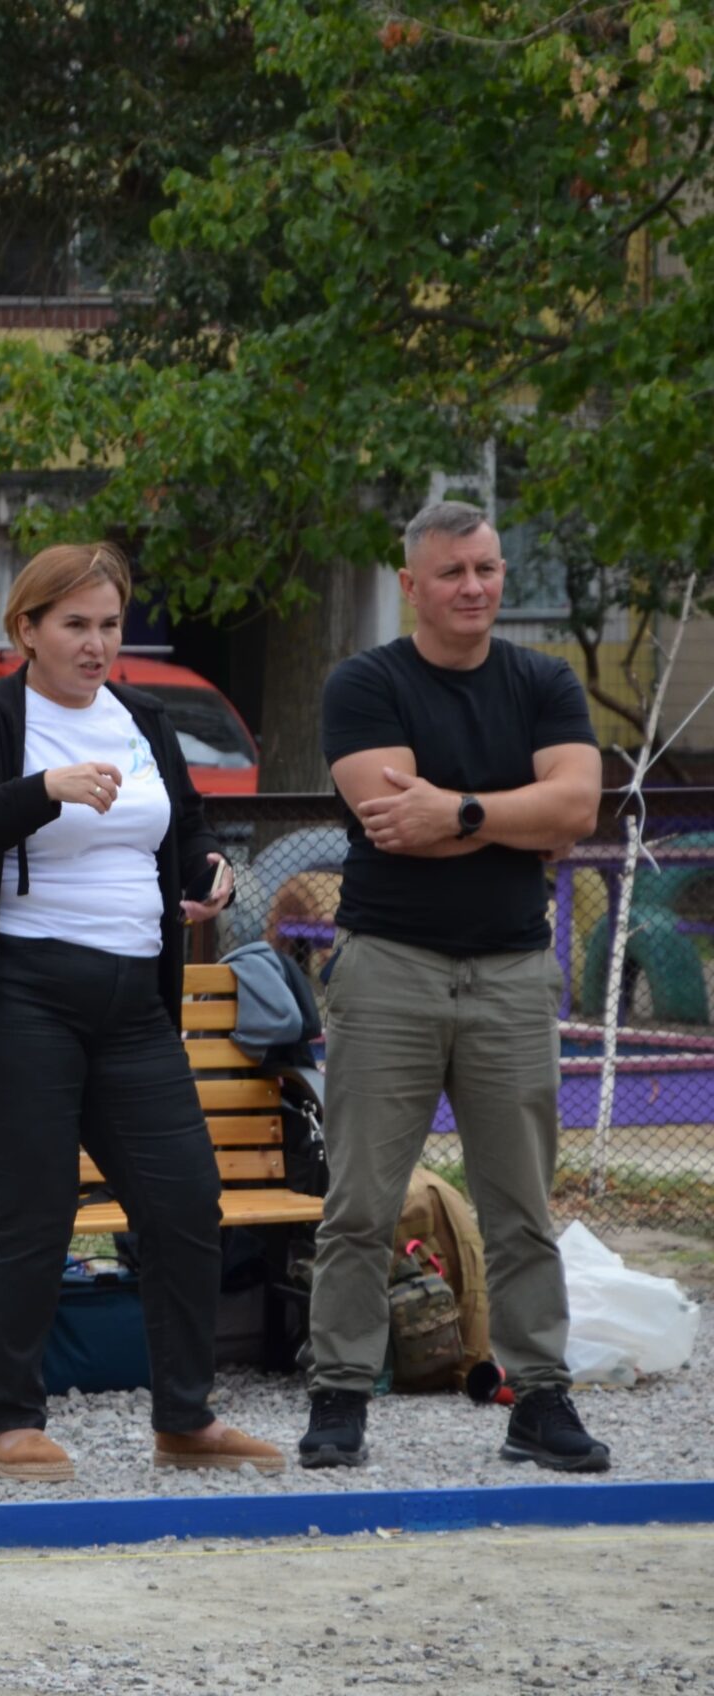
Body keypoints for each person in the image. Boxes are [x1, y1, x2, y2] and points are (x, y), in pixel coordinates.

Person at [0, 541, 284, 1483]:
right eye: (74, 625)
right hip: (20, 994)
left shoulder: (142, 718)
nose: (95, 644)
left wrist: (209, 869)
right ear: (28, 630)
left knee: (184, 1201)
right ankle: (9, 1421)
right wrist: (45, 790)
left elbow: (185, 825)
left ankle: (185, 1418)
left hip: (134, 1000)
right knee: (37, 1209)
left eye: (110, 625)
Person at [302, 499, 608, 1471]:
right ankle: (340, 1395)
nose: (474, 587)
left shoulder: (544, 682)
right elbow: (395, 819)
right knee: (360, 1201)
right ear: (410, 585)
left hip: (513, 970)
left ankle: (540, 1399)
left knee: (521, 1206)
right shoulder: (365, 684)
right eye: (452, 572)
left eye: (486, 568)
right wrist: (520, 818)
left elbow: (578, 806)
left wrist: (464, 810)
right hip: (388, 966)